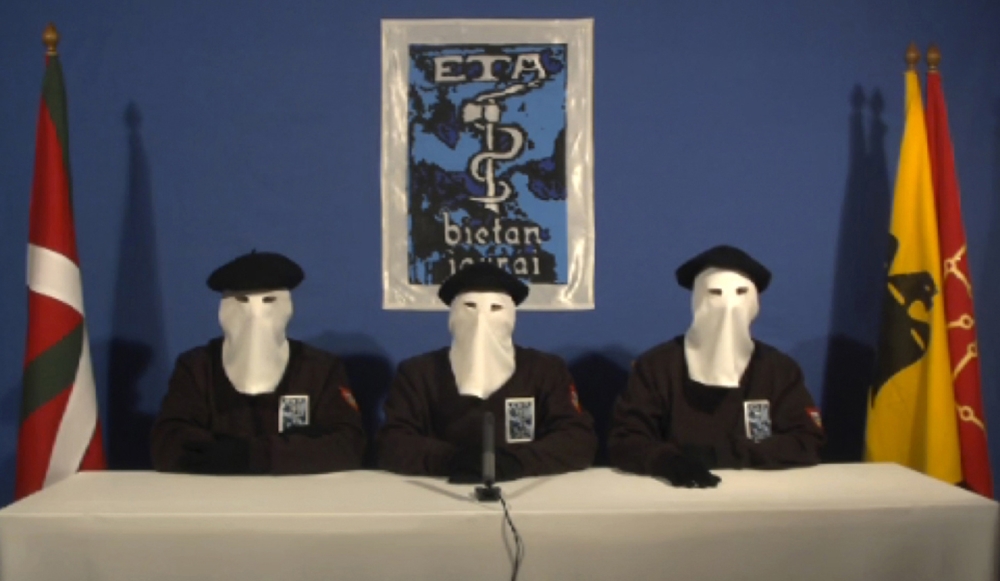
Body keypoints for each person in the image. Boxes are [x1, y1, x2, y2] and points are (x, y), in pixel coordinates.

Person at [609, 245, 824, 488]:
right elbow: (626, 439)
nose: (728, 306)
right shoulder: (657, 367)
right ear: (698, 299)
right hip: (676, 494)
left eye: (741, 292)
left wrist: (724, 454)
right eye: (715, 293)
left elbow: (807, 441)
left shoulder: (778, 370)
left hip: (759, 494)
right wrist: (668, 461)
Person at [377, 262, 596, 482]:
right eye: (469, 307)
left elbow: (577, 439)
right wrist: (451, 460)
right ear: (453, 315)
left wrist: (516, 462)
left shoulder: (545, 371)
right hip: (441, 490)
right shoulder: (419, 374)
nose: (481, 319)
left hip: (524, 490)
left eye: (495, 308)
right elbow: (392, 441)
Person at [151, 251, 365, 475]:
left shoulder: (319, 369)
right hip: (215, 492)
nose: (255, 315)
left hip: (296, 492)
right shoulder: (198, 367)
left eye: (268, 300)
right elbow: (168, 444)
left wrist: (251, 455)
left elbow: (347, 444)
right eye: (242, 300)